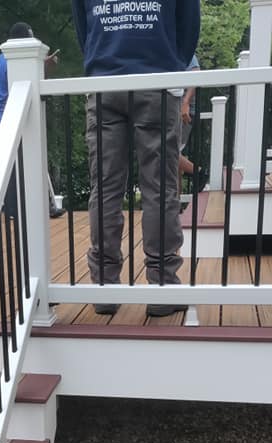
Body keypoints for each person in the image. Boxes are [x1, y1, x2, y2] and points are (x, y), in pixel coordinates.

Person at [72, 0, 200, 317]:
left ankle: (105, 287)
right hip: (157, 78)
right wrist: (170, 63)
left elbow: (82, 27)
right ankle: (162, 286)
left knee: (105, 188)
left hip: (103, 81)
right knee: (159, 189)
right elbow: (188, 28)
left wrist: (102, 60)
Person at [0, 22, 64, 218]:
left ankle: (27, 208)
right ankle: (24, 209)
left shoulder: (1, 59)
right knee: (25, 165)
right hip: (15, 116)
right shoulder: (12, 60)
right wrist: (43, 67)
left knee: (17, 166)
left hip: (6, 116)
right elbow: (24, 85)